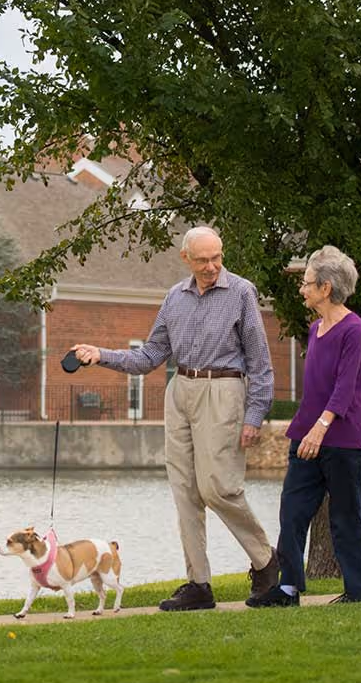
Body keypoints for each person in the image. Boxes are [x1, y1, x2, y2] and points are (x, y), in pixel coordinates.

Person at [69, 226, 279, 611]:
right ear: (186, 259)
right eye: (203, 260)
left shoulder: (242, 293)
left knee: (218, 487)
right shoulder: (174, 298)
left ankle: (265, 559)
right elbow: (150, 356)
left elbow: (261, 364)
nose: (212, 266)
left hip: (224, 390)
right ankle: (198, 584)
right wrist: (101, 354)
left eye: (217, 257)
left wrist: (255, 415)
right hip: (180, 390)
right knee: (185, 491)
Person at [248, 245, 361, 607]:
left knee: (346, 518)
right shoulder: (316, 328)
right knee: (292, 511)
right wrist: (308, 430)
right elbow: (318, 388)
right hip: (306, 436)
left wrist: (321, 428)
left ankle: (359, 592)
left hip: (344, 441)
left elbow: (344, 387)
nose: (301, 289)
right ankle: (288, 589)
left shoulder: (354, 329)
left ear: (325, 288)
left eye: (306, 283)